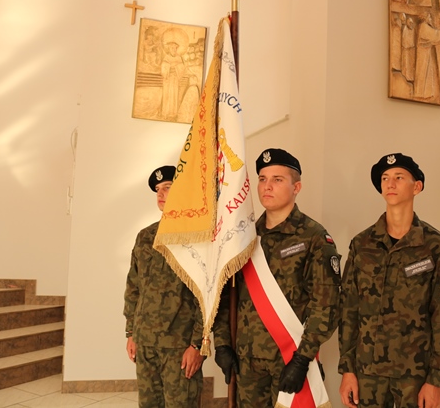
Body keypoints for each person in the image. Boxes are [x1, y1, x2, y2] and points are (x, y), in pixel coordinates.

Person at [212, 148, 342, 407]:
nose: (267, 186)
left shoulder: (314, 237)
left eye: (277, 179)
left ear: (297, 187)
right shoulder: (244, 237)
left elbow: (326, 306)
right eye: (262, 179)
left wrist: (302, 359)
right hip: (247, 362)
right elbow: (225, 296)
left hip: (290, 359)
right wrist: (222, 344)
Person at [338, 153, 440, 408]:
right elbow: (349, 308)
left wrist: (436, 379)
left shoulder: (434, 245)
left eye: (399, 177)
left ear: (417, 187)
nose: (390, 183)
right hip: (367, 372)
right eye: (385, 178)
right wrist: (347, 370)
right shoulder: (362, 244)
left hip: (414, 375)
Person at [123, 165, 205, 408]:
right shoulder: (145, 236)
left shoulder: (197, 236)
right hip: (145, 343)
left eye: (167, 187)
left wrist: (198, 344)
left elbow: (206, 295)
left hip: (179, 346)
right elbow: (133, 287)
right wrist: (131, 333)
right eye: (158, 189)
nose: (160, 193)